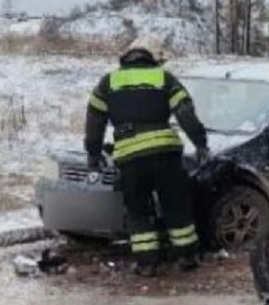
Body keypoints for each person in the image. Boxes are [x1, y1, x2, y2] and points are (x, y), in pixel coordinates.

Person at [85, 38, 211, 277]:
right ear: (151, 59)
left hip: (130, 158)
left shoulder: (108, 82)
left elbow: (94, 119)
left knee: (138, 210)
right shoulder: (163, 77)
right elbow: (185, 112)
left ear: (125, 59)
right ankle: (186, 256)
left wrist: (93, 152)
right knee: (176, 204)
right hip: (165, 154)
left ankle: (146, 263)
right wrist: (201, 143)